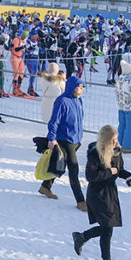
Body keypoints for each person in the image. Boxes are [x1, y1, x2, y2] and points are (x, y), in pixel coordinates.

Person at [71, 125, 131, 260]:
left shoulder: (117, 152)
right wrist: (108, 172)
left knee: (108, 227)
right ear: (105, 141)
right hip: (97, 195)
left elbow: (120, 171)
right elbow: (90, 176)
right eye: (113, 140)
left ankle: (82, 237)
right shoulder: (95, 153)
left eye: (116, 139)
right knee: (107, 227)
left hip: (110, 194)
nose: (116, 143)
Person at [41, 76, 87, 211]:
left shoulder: (79, 100)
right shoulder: (62, 101)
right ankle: (80, 201)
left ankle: (46, 186)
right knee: (73, 169)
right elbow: (54, 121)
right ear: (72, 87)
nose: (81, 89)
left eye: (82, 87)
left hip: (76, 139)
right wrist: (51, 138)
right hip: (64, 139)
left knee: (60, 163)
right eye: (79, 87)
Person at [114, 60, 131, 152]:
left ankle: (119, 143)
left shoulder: (119, 80)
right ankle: (126, 146)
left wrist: (120, 103)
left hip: (121, 107)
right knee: (129, 128)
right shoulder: (129, 82)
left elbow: (116, 94)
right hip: (130, 108)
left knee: (121, 126)